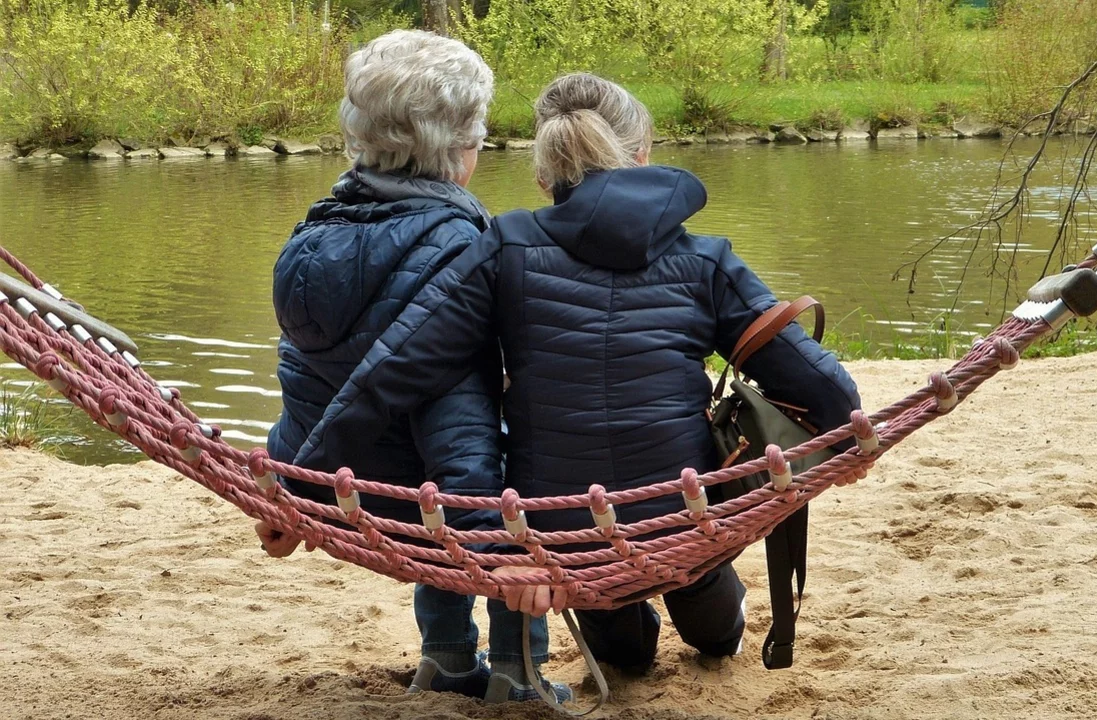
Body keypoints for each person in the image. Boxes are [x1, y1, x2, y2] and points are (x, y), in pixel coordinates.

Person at [290, 72, 861, 674]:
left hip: (564, 536)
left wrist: (300, 486)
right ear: (641, 156)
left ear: (544, 175)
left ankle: (632, 626)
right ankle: (709, 615)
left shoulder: (505, 246)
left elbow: (396, 370)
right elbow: (819, 383)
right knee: (707, 604)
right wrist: (850, 438)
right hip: (683, 513)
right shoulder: (706, 259)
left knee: (624, 654)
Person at [256, 29, 568, 704]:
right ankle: (519, 673)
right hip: (427, 497)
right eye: (478, 133)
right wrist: (496, 550)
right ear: (459, 148)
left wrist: (289, 483)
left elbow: (307, 379)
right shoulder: (464, 248)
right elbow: (462, 423)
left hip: (341, 484)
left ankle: (447, 657)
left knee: (434, 470)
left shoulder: (312, 235)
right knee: (527, 461)